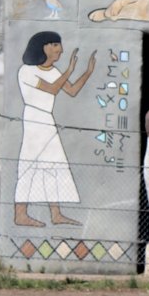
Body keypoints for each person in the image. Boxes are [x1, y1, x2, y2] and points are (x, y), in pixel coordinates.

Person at [15, 30, 96, 227]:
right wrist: (69, 70)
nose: (60, 50)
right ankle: (20, 214)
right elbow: (52, 89)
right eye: (55, 45)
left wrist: (88, 72)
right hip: (34, 118)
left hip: (47, 119)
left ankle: (56, 213)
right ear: (43, 47)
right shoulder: (27, 70)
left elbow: (72, 90)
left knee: (54, 164)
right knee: (29, 164)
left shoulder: (53, 72)